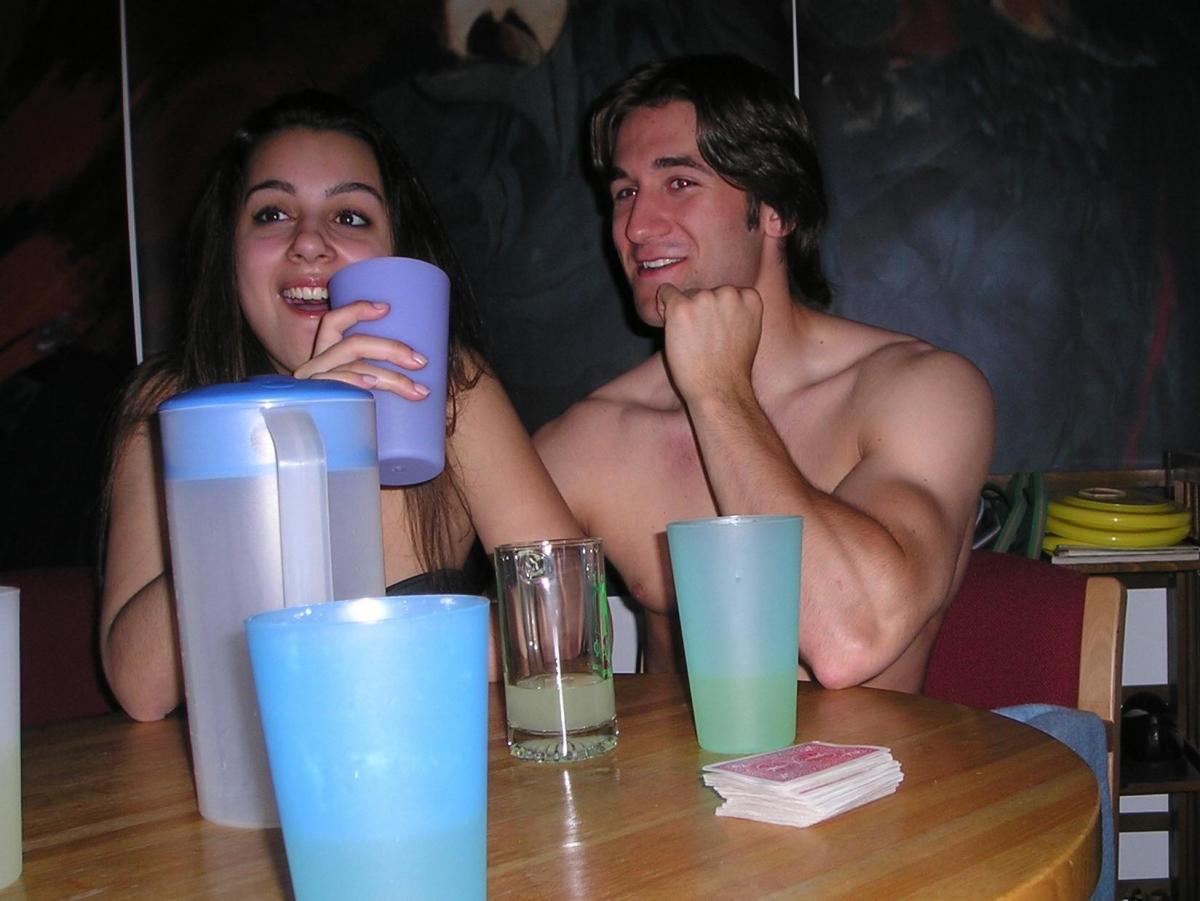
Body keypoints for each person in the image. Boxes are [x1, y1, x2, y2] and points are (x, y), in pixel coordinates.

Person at [100, 91, 581, 721]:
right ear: (230, 249)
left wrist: (370, 662)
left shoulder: (443, 387)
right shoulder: (167, 405)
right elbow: (141, 689)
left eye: (350, 216)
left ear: (397, 249)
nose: (309, 243)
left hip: (420, 752)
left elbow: (564, 612)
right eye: (272, 213)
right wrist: (293, 451)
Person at [535, 55, 995, 689]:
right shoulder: (594, 438)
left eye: (679, 182)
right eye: (624, 192)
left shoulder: (923, 392)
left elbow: (848, 639)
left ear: (776, 209)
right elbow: (489, 661)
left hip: (869, 757)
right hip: (675, 760)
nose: (636, 227)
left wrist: (720, 394)